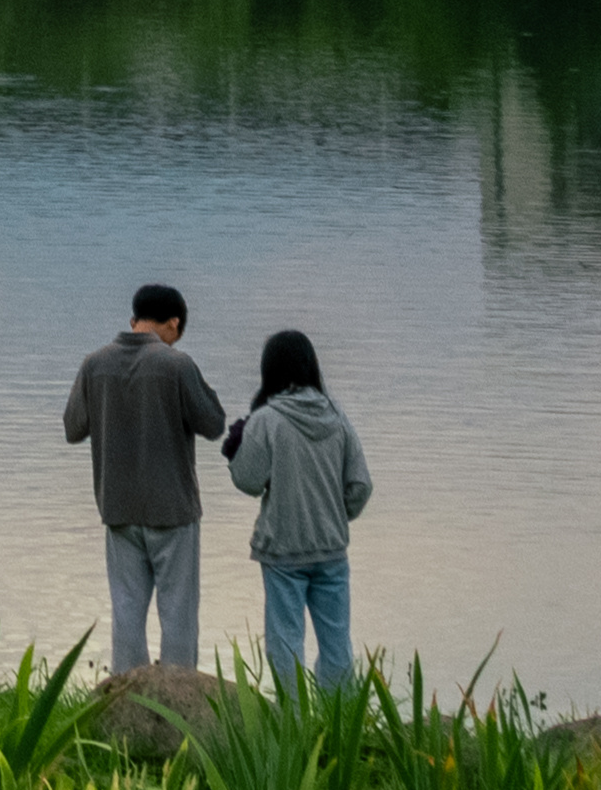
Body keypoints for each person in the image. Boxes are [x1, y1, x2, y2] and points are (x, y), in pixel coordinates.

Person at [61, 279, 226, 673]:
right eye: (178, 331)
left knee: (127, 610)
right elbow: (214, 423)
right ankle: (178, 700)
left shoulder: (94, 364)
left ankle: (126, 698)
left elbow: (72, 428)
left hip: (118, 507)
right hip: (173, 509)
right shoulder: (177, 364)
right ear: (173, 323)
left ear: (133, 319)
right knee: (178, 612)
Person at [223, 325, 372, 693]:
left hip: (282, 551)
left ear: (269, 369)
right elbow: (360, 486)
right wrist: (336, 516)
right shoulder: (337, 416)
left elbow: (248, 481)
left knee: (285, 641)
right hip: (332, 549)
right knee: (337, 643)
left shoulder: (266, 419)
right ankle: (339, 720)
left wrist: (235, 449)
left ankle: (292, 722)